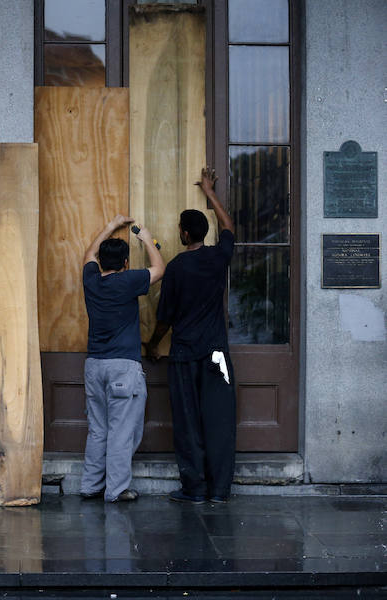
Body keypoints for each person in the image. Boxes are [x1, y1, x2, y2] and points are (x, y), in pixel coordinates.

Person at [144, 166, 237, 505]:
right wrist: (210, 192)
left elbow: (165, 318)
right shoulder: (218, 257)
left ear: (183, 234)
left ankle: (195, 489)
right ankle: (220, 491)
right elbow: (229, 227)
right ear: (204, 232)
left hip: (184, 356)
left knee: (188, 423)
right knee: (219, 422)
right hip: (216, 356)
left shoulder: (177, 269)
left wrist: (153, 345)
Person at [79, 214, 165, 503]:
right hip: (123, 368)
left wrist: (109, 227)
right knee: (120, 431)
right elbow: (159, 268)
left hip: (94, 366)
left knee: (98, 429)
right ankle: (115, 491)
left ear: (101, 263)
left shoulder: (91, 280)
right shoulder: (129, 281)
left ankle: (91, 486)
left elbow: (89, 253)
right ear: (126, 263)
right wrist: (146, 236)